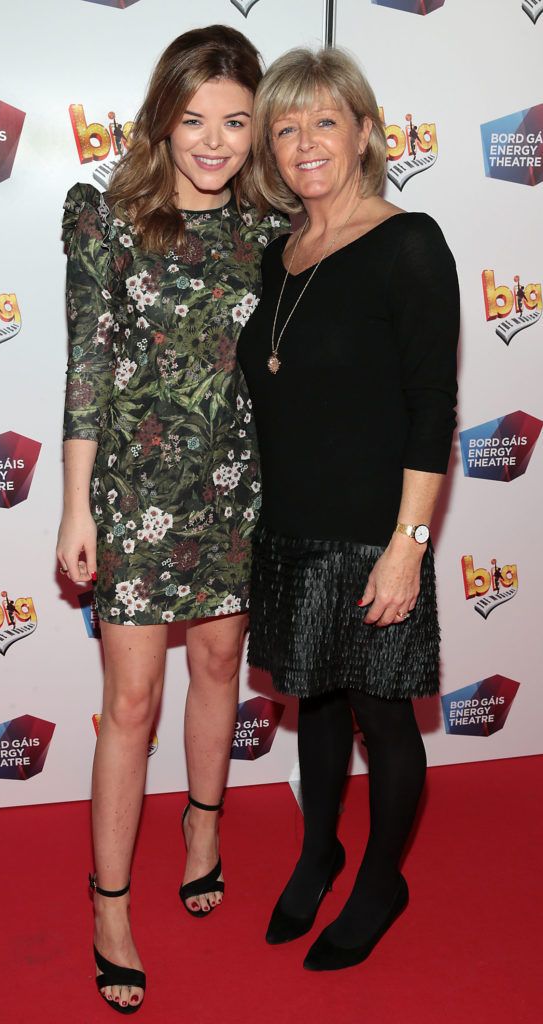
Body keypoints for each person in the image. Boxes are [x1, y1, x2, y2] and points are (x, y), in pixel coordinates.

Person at [57, 25, 287, 1013]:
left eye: (235, 120)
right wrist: (75, 503)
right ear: (162, 117)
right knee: (133, 701)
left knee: (219, 670)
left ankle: (202, 824)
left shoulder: (272, 233)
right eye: (194, 118)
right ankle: (110, 906)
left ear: (256, 127)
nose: (213, 139)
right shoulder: (106, 220)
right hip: (132, 496)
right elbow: (89, 369)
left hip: (235, 484)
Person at [238, 46, 459, 972]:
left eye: (324, 121)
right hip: (288, 526)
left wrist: (407, 546)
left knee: (384, 718)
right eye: (284, 127)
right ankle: (317, 848)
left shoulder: (409, 243)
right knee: (314, 703)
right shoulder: (276, 254)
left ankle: (380, 879)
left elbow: (429, 411)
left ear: (365, 132)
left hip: (373, 534)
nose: (304, 143)